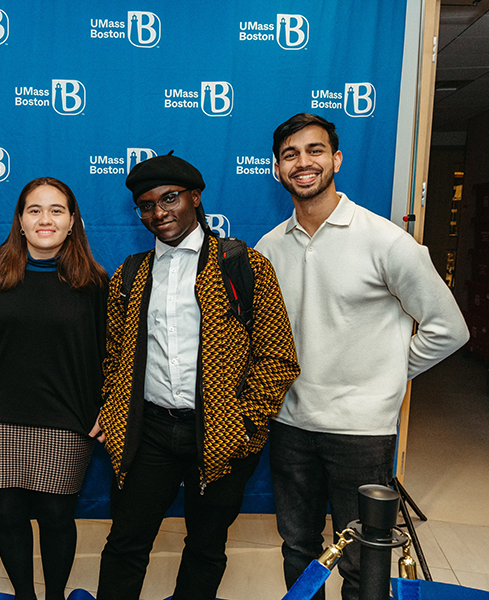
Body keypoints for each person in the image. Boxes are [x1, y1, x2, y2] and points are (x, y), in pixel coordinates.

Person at [256, 113, 470, 600]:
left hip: (361, 431)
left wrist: (389, 374)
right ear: (276, 169)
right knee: (297, 547)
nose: (303, 162)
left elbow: (449, 329)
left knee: (361, 559)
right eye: (290, 154)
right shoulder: (269, 248)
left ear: (336, 159)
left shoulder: (386, 241)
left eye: (314, 150)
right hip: (291, 424)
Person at [96, 153, 300, 600]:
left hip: (223, 432)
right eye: (146, 205)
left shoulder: (243, 265)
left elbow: (277, 356)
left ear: (195, 197)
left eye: (169, 199)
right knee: (126, 543)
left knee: (206, 545)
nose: (158, 213)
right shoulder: (130, 275)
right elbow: (114, 357)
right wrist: (114, 413)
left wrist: (244, 423)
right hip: (148, 431)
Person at [0, 177, 107, 600]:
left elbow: (111, 353)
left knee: (57, 515)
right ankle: (25, 596)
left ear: (73, 221)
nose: (45, 219)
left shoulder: (94, 283)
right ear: (19, 220)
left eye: (57, 210)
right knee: (7, 514)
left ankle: (54, 596)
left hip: (68, 417)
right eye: (34, 210)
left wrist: (108, 407)